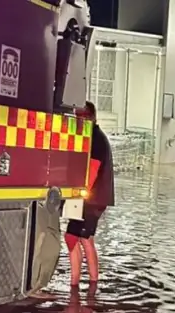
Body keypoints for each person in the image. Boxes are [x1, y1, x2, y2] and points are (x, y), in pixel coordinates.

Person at [65, 101, 114, 286]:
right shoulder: (94, 136)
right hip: (95, 197)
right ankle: (83, 283)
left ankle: (82, 284)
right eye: (77, 116)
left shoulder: (95, 139)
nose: (79, 120)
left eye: (82, 116)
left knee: (77, 237)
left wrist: (77, 195)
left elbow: (92, 170)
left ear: (92, 117)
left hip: (92, 199)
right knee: (84, 238)